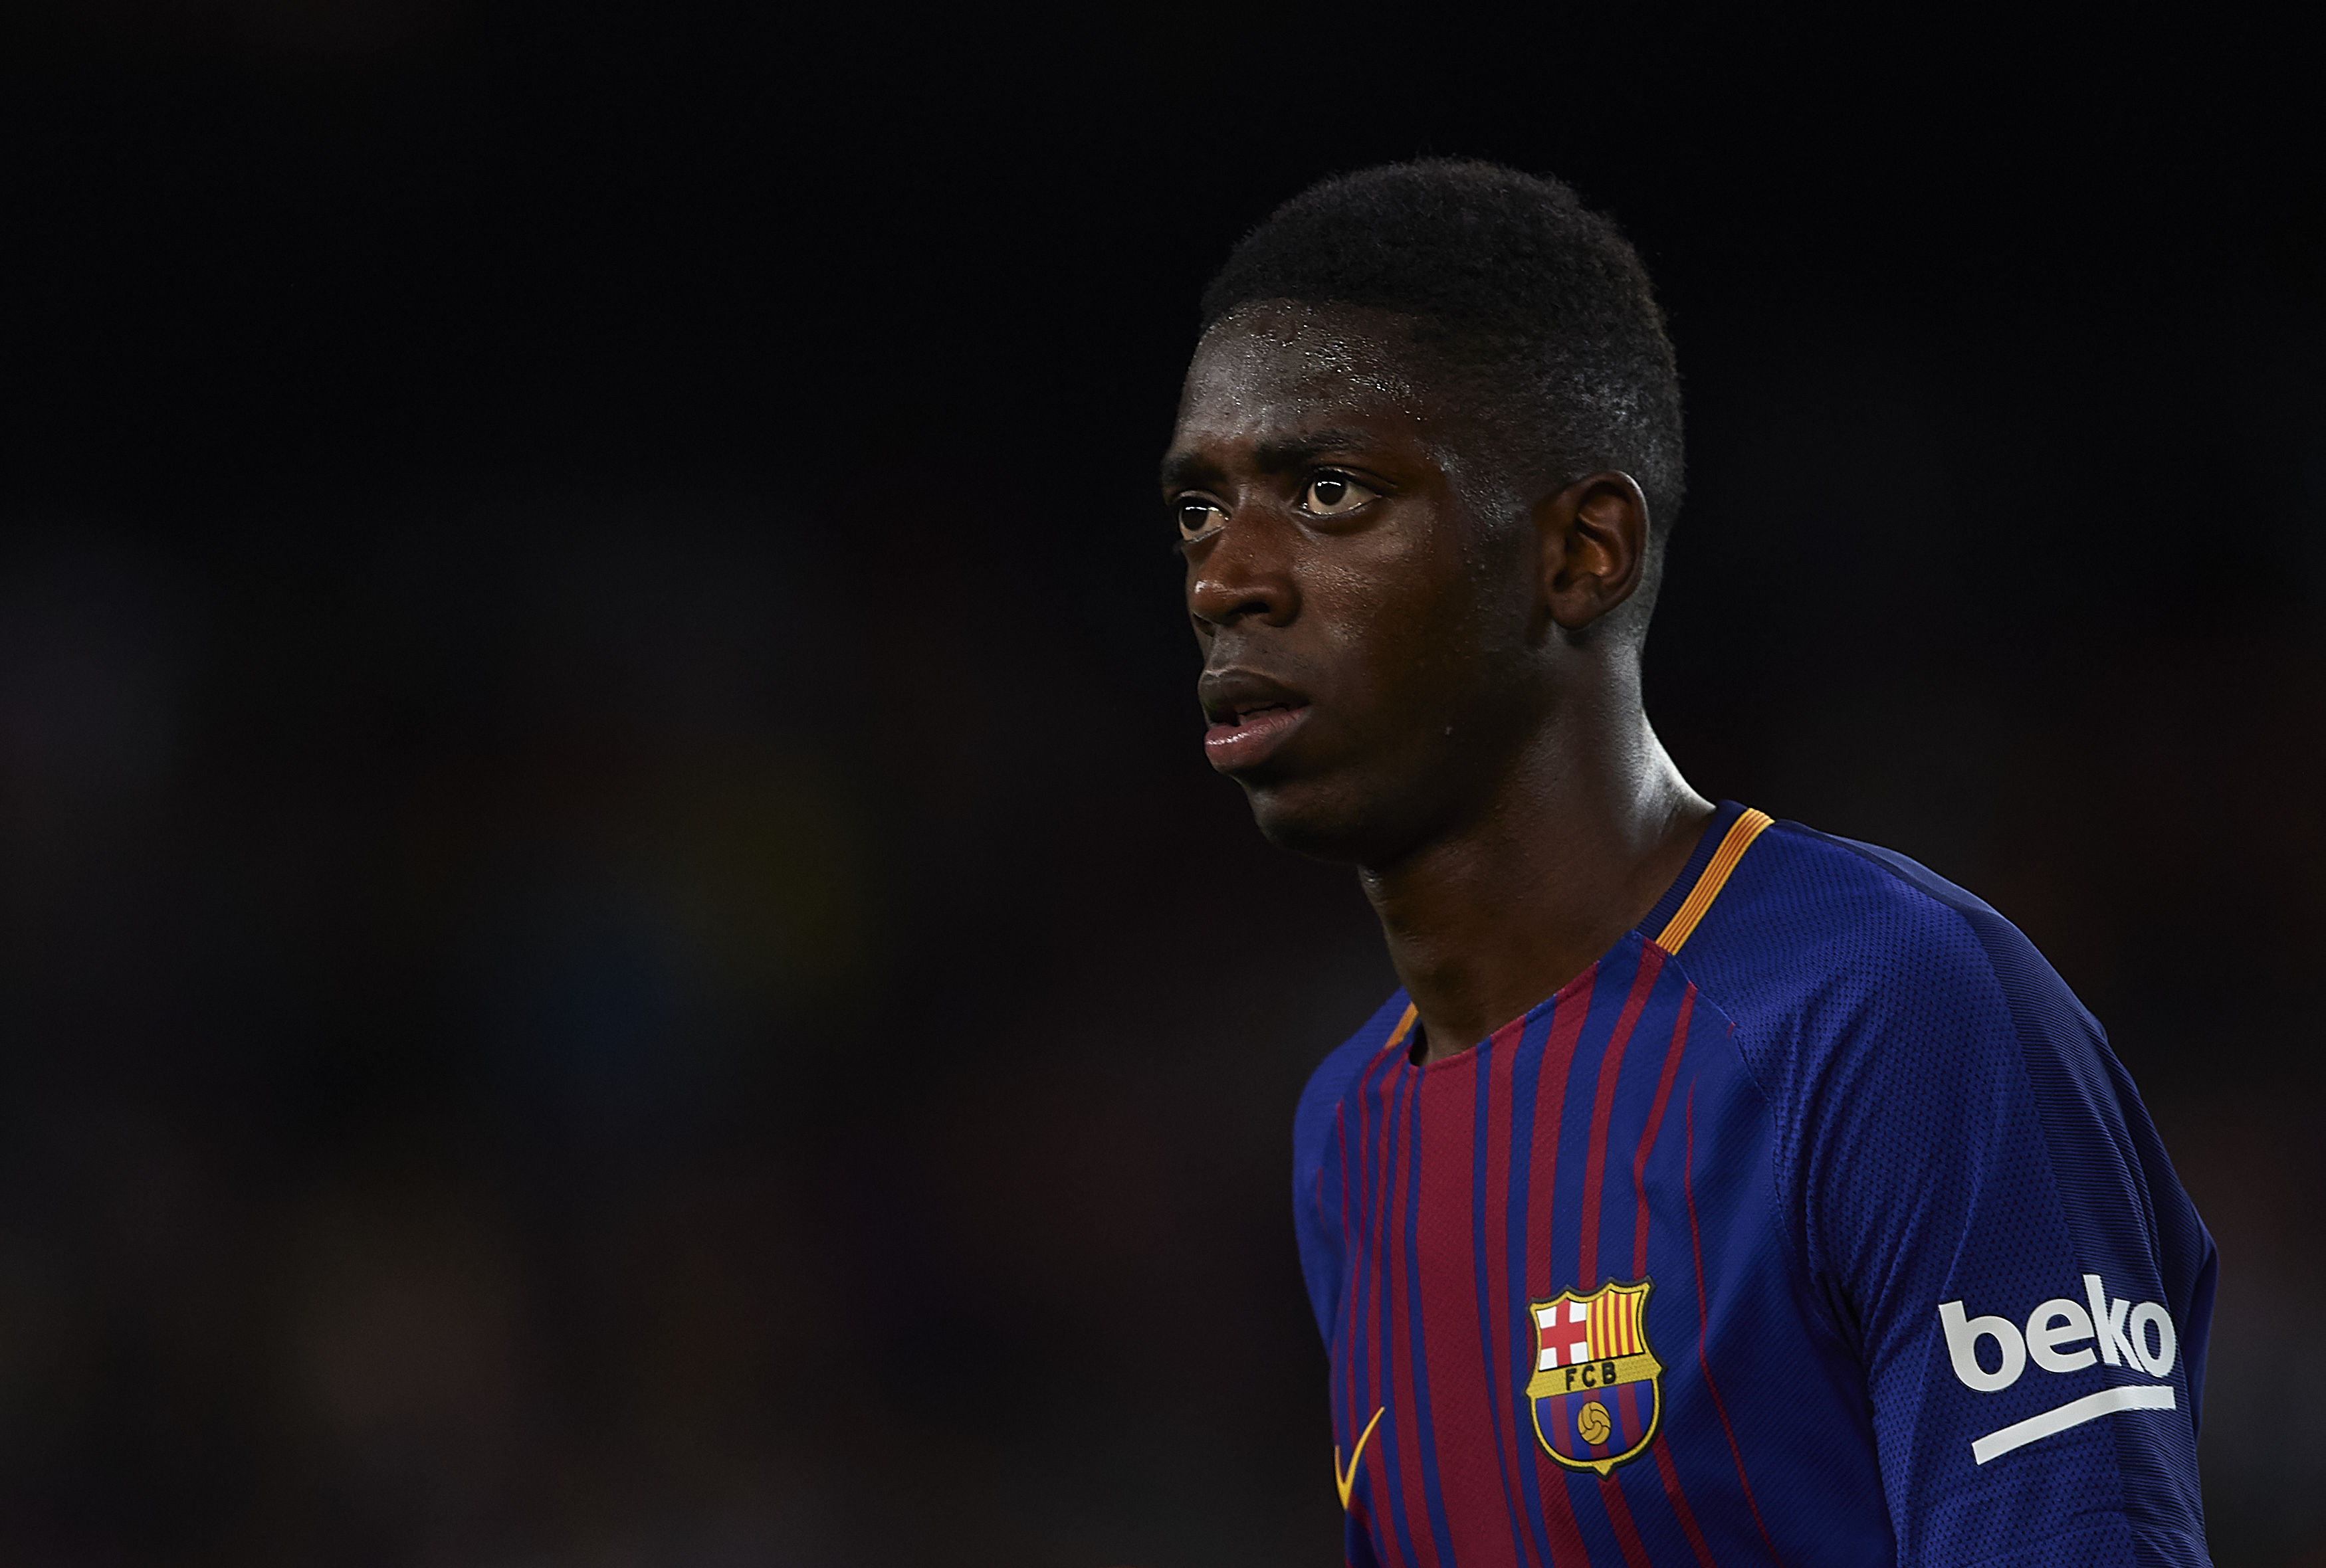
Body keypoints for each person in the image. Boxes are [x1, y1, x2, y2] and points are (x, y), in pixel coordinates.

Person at [1162, 160, 2214, 1567]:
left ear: (1580, 552)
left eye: (1330, 489)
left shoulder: (1886, 1010)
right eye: (1197, 506)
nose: (1228, 575)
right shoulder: (1344, 1130)